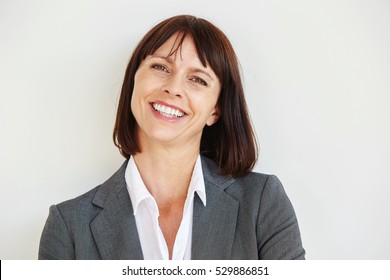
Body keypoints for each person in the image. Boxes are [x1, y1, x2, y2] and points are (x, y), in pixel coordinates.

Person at [39, 15, 305, 260]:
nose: (173, 88)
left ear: (216, 109)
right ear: (134, 79)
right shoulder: (68, 226)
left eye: (198, 80)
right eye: (161, 67)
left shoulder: (262, 203)